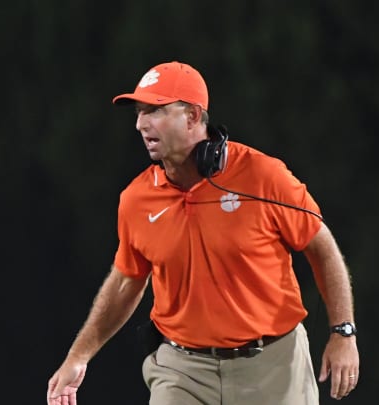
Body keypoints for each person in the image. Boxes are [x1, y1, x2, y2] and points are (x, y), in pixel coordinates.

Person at [47, 61, 360, 404]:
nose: (140, 124)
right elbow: (125, 281)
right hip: (182, 370)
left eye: (155, 110)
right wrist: (79, 356)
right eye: (139, 112)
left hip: (273, 365)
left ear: (194, 116)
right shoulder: (136, 200)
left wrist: (343, 332)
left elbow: (323, 249)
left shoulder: (263, 177)